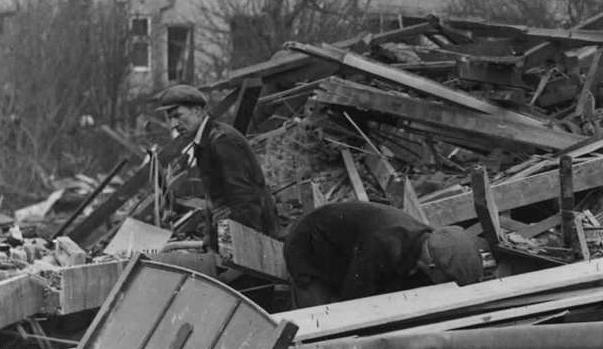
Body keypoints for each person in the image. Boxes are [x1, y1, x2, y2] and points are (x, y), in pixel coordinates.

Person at [283, 201, 484, 307]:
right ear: (433, 269)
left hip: (347, 248)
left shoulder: (426, 242)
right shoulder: (384, 244)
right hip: (309, 246)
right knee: (324, 321)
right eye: (447, 283)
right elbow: (353, 303)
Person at [156, 84, 279, 237]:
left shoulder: (222, 140)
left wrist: (240, 246)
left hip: (253, 233)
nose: (174, 124)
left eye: (178, 115)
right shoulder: (206, 141)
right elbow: (216, 200)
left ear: (197, 111)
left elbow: (244, 199)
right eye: (170, 118)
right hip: (232, 229)